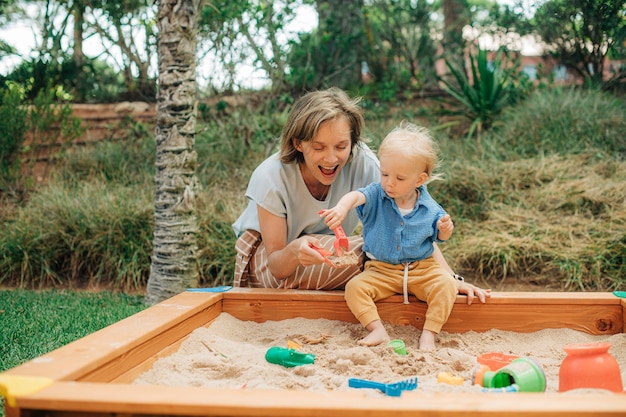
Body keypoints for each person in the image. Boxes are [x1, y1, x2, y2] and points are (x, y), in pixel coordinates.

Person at [232, 88, 489, 303]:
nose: (332, 159)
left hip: (326, 253)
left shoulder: (365, 162)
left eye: (341, 146)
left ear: (353, 142)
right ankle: (418, 286)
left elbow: (411, 225)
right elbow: (276, 267)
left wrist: (451, 278)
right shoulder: (270, 176)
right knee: (377, 255)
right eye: (319, 147)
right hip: (269, 261)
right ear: (298, 143)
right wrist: (294, 252)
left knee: (384, 254)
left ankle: (428, 288)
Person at [320, 121, 490, 350]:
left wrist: (445, 230)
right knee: (355, 288)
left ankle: (429, 334)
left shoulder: (430, 208)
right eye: (385, 173)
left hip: (422, 268)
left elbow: (439, 238)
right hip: (381, 269)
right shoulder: (377, 193)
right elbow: (355, 197)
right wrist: (341, 209)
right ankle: (378, 330)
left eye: (399, 179)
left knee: (445, 286)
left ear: (419, 180)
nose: (389, 183)